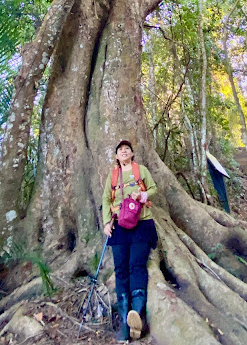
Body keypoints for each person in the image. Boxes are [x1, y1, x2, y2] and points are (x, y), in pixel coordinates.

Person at [102, 140, 158, 342]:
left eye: (127, 149)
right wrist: (106, 222)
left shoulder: (141, 170)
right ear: (117, 156)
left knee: (137, 265)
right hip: (118, 226)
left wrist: (141, 195)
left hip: (141, 223)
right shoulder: (113, 175)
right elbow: (106, 200)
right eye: (120, 150)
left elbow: (153, 189)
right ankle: (126, 322)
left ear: (132, 154)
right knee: (121, 269)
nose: (124, 152)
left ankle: (138, 314)